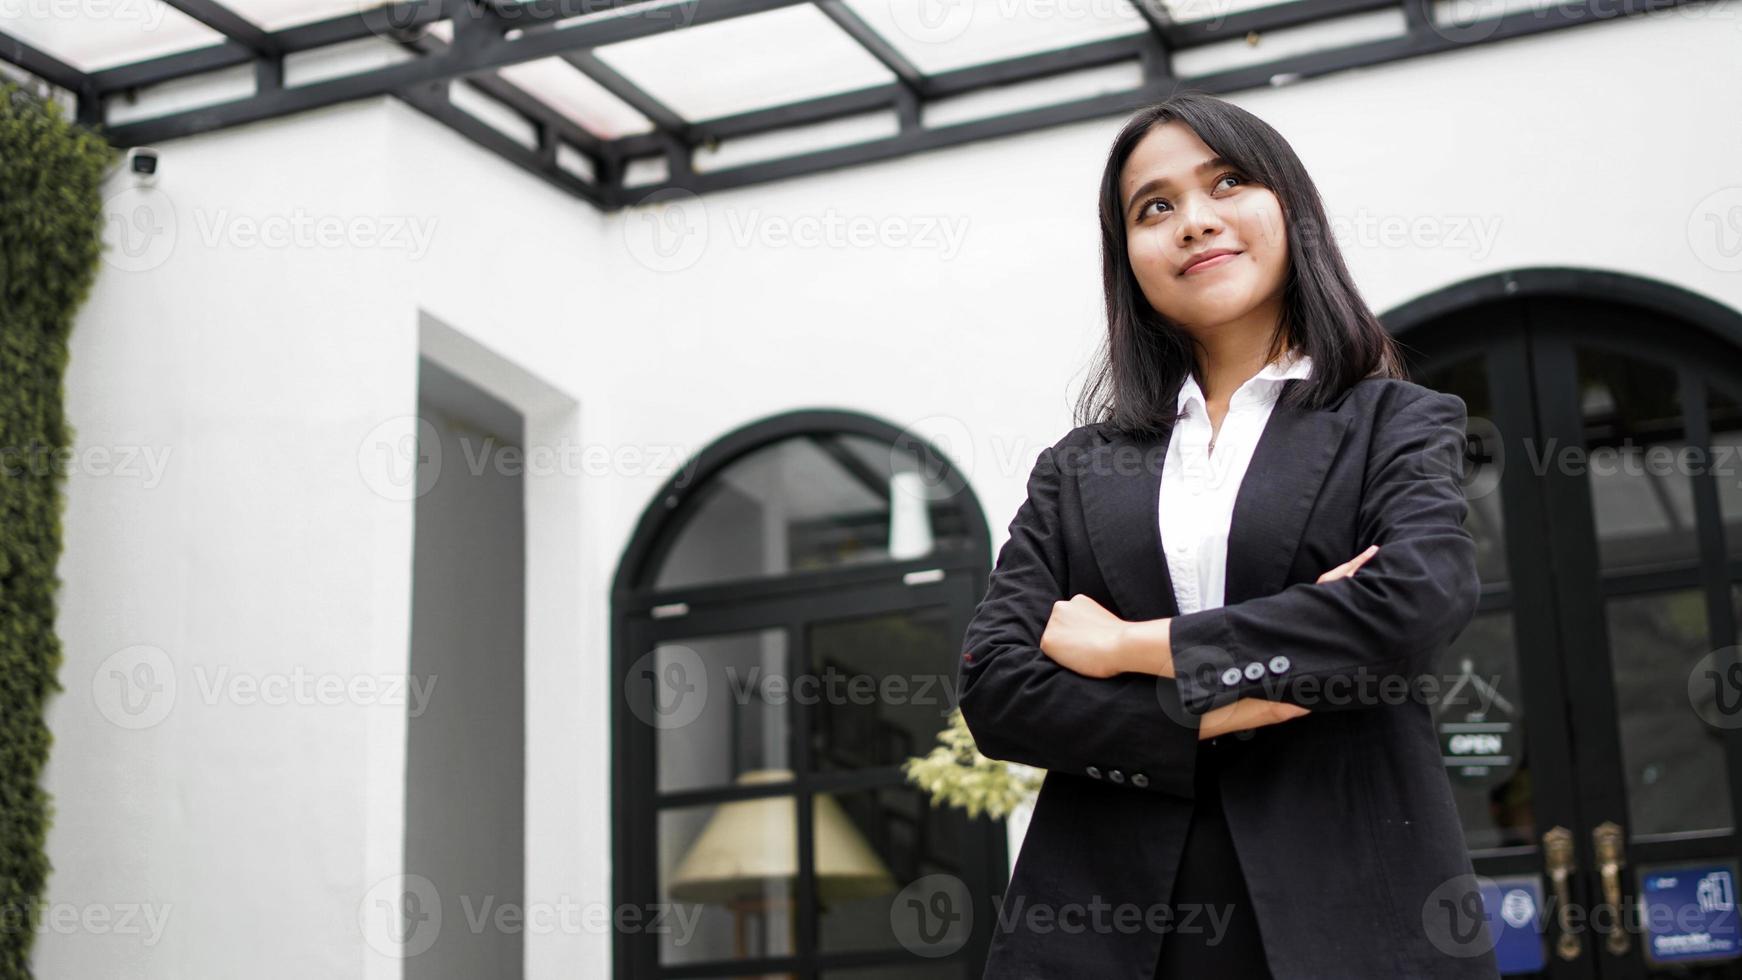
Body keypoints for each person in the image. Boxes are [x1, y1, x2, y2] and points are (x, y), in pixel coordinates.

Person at [956, 92, 1500, 979]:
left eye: (1228, 182)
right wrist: (1246, 697)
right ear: (1127, 256)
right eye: (1154, 207)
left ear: (1291, 208)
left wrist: (1137, 646)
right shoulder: (1079, 466)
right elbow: (998, 688)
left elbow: (1413, 603)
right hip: (1107, 932)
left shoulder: (1392, 423)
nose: (1193, 222)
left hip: (1353, 917)